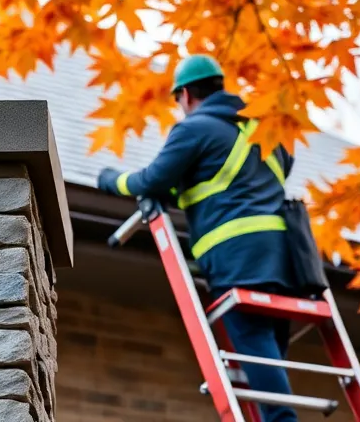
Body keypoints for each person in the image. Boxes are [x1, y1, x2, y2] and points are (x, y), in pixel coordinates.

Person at [98, 54, 299, 422]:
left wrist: (111, 179)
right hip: (288, 259)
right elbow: (233, 183)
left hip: (239, 257)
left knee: (253, 343)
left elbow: (151, 180)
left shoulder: (196, 129)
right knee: (268, 350)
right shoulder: (266, 133)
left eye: (178, 101)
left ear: (186, 94)